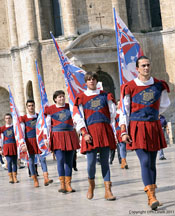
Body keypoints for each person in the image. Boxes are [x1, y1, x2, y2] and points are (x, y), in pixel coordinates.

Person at [120, 56, 170, 210]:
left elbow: (164, 105)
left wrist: (152, 115)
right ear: (137, 68)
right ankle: (151, 196)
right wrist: (124, 131)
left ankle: (152, 195)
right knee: (145, 161)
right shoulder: (129, 87)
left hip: (153, 126)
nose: (146, 68)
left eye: (148, 65)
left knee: (153, 163)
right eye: (143, 65)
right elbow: (124, 110)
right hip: (137, 127)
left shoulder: (158, 85)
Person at [73, 71, 116, 201]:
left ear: (97, 81)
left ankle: (108, 190)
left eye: (93, 79)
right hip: (89, 133)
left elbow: (112, 112)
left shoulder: (105, 96)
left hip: (104, 131)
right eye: (89, 79)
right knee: (91, 163)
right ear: (86, 82)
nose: (91, 81)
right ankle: (91, 186)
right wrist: (84, 133)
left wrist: (108, 127)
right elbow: (78, 116)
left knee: (105, 162)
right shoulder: (81, 97)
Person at [44, 90, 80, 193]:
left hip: (69, 135)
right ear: (55, 99)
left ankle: (68, 184)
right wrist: (46, 138)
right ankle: (62, 184)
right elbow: (47, 125)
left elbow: (76, 118)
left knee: (69, 162)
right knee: (60, 159)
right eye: (59, 97)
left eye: (63, 96)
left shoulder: (71, 107)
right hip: (57, 136)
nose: (62, 98)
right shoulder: (50, 109)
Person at [20, 99, 53, 187]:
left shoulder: (39, 116)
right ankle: (35, 180)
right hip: (29, 141)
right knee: (31, 160)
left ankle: (46, 178)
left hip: (39, 140)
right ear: (27, 107)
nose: (31, 107)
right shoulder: (24, 118)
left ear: (34, 106)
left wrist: (46, 139)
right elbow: (22, 132)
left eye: (32, 105)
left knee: (42, 158)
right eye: (29, 106)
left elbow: (44, 128)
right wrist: (23, 144)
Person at [0, 113, 19, 183]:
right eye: (6, 118)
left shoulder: (14, 127)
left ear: (11, 119)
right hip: (6, 147)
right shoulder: (2, 129)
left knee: (14, 162)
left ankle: (15, 177)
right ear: (5, 119)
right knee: (9, 161)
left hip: (14, 146)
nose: (8, 120)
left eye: (9, 118)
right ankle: (10, 177)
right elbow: (1, 139)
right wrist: (0, 148)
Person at [115, 101, 128, 169]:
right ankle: (123, 160)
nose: (120, 105)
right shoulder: (115, 114)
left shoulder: (125, 112)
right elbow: (112, 124)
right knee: (122, 146)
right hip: (119, 131)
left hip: (125, 130)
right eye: (118, 104)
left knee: (124, 147)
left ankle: (123, 160)